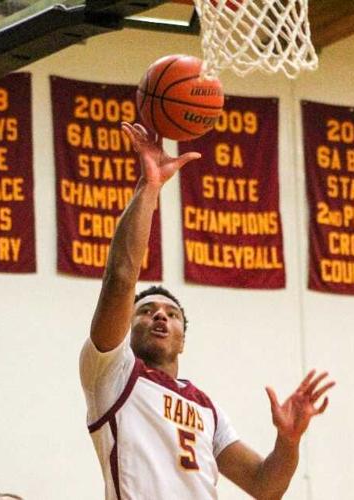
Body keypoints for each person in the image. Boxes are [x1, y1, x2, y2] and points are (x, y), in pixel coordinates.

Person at [79, 122, 335, 499]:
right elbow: (120, 277)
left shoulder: (205, 408)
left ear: (183, 340)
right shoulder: (111, 373)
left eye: (171, 313)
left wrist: (288, 440)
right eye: (146, 311)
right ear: (127, 329)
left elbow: (266, 486)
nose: (160, 316)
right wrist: (149, 186)